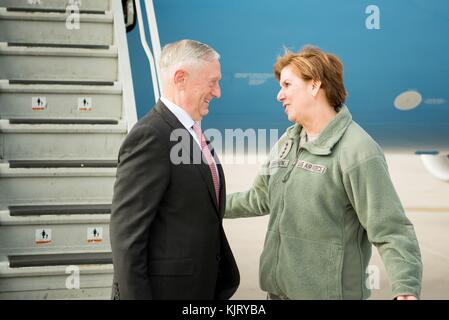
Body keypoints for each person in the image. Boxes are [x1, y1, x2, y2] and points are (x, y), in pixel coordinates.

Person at [225, 46, 422, 300]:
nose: (279, 95)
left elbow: (391, 229)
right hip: (279, 294)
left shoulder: (358, 151)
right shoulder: (288, 141)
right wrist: (208, 204)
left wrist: (405, 288)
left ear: (314, 85)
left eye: (287, 85)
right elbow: (259, 197)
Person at [110, 39, 239, 299]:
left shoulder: (188, 132)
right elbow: (127, 238)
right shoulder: (151, 135)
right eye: (212, 82)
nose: (218, 92)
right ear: (180, 78)